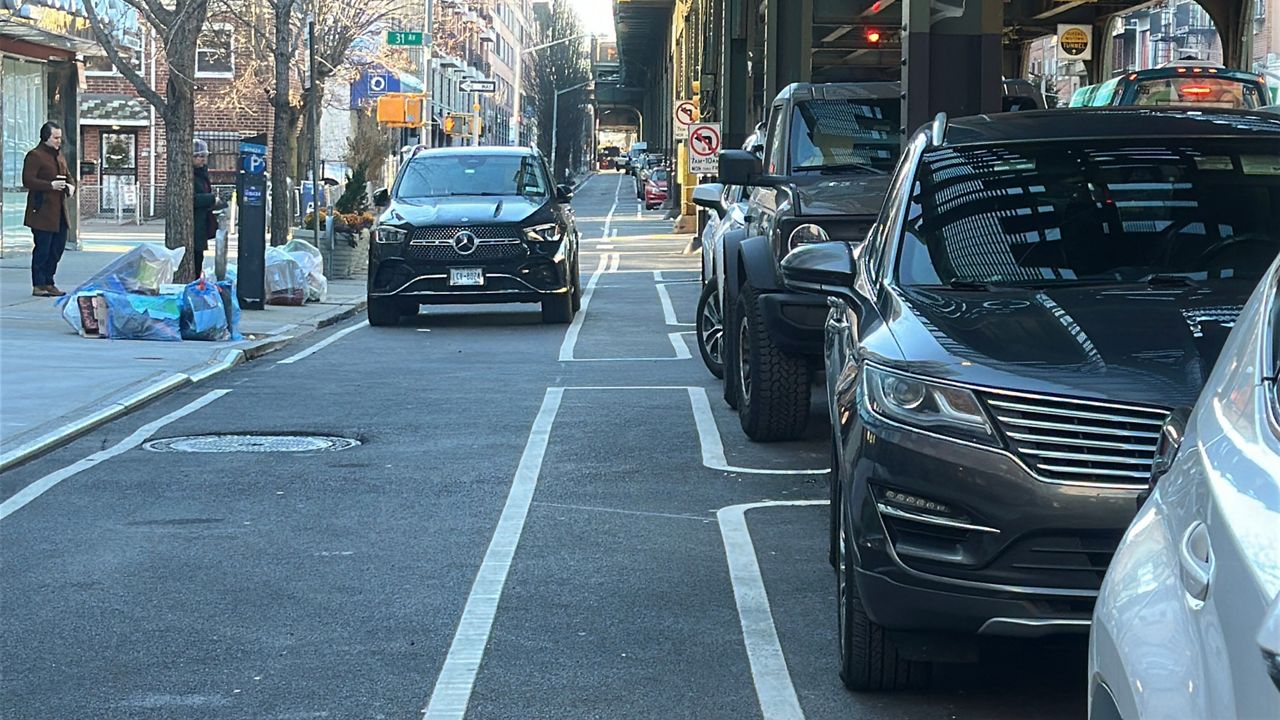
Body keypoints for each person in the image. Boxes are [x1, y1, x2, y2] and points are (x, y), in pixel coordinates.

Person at [23, 121, 74, 297]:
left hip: (59, 211)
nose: (59, 141)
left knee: (57, 248)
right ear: (46, 137)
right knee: (42, 249)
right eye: (56, 137)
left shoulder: (59, 156)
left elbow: (68, 176)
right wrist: (49, 185)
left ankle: (49, 281)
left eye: (60, 137)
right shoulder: (35, 156)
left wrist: (70, 186)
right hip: (42, 211)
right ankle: (39, 284)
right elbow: (28, 180)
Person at [192, 139, 226, 275]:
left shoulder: (202, 174)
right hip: (195, 223)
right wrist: (211, 198)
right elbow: (192, 199)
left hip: (202, 222)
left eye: (203, 156)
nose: (202, 160)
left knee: (199, 256)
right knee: (195, 256)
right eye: (198, 156)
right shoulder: (191, 176)